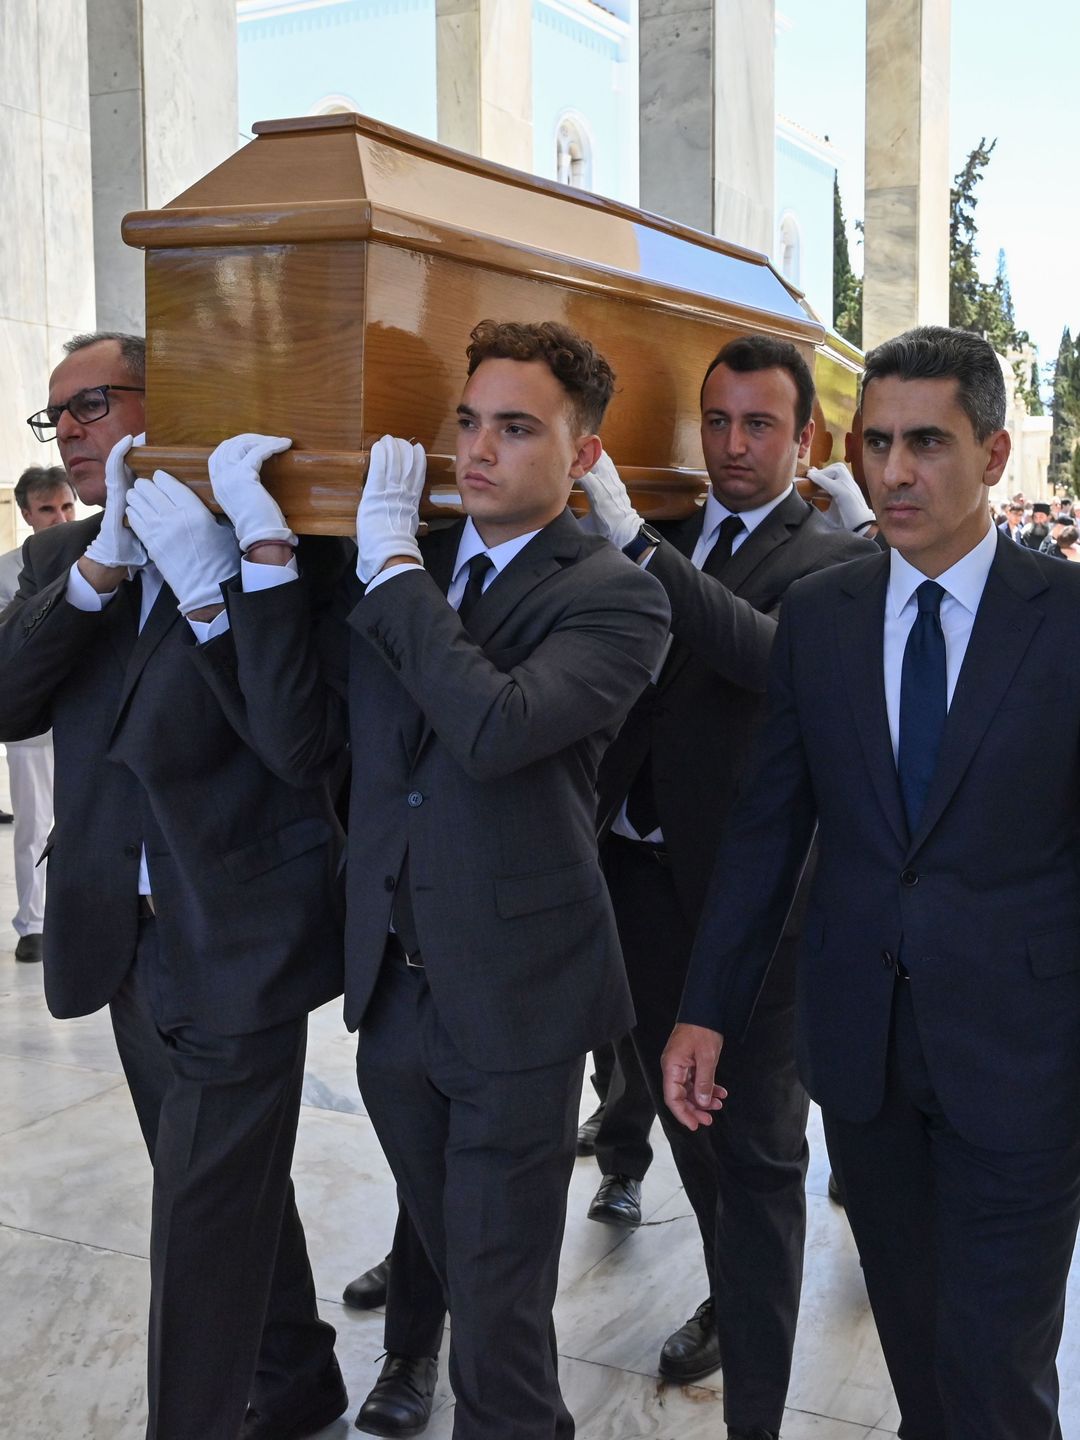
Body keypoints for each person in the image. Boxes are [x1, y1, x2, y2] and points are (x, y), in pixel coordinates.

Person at [201, 319, 671, 1440]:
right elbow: (305, 744)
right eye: (469, 421)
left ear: (585, 456)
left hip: (520, 995)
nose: (479, 448)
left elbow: (495, 728)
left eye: (517, 428)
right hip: (397, 996)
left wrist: (397, 567)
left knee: (500, 1314)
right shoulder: (394, 562)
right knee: (464, 1262)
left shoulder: (614, 595)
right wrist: (262, 559)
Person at [663, 324, 1080, 1440]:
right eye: (878, 443)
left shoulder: (1068, 621)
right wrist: (708, 1004)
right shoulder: (822, 619)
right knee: (919, 1357)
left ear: (993, 456)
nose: (895, 473)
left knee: (997, 1375)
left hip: (1027, 1065)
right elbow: (766, 829)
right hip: (866, 1057)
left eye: (928, 444)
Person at [0, 332, 348, 1440]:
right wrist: (102, 571)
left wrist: (220, 575)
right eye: (57, 415)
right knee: (221, 1187)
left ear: (171, 402)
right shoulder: (67, 562)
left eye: (93, 403)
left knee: (196, 1220)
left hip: (239, 937)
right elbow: (6, 700)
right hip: (125, 939)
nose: (72, 430)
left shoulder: (274, 542)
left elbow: (295, 740)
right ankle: (295, 1380)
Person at [578, 335, 874, 1440]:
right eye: (717, 422)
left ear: (804, 443)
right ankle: (730, 1287)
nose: (734, 445)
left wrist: (634, 547)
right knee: (687, 1132)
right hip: (637, 887)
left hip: (759, 916)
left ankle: (756, 1413)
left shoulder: (836, 556)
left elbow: (759, 653)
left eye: (760, 425)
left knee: (753, 1156)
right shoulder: (666, 530)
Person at [0, 465, 76, 962]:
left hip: (81, 710)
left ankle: (79, 917)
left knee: (81, 819)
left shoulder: (98, 549)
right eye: (47, 509)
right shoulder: (7, 570)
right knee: (33, 821)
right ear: (26, 514)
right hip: (30, 723)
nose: (59, 517)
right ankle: (33, 923)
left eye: (66, 506)